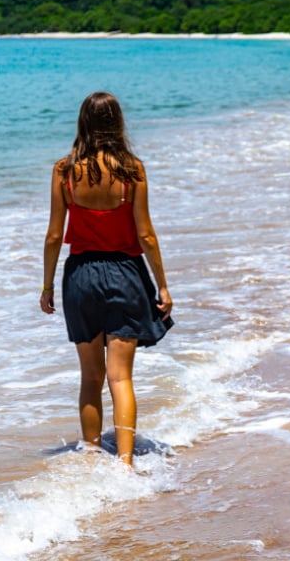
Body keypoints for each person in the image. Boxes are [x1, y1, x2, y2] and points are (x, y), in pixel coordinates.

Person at [40, 91, 173, 466]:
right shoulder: (133, 171)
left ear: (83, 122)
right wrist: (162, 284)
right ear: (117, 124)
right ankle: (126, 464)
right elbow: (145, 234)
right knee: (120, 378)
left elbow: (53, 236)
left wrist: (47, 285)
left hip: (80, 276)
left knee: (90, 378)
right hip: (125, 274)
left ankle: (92, 458)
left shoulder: (64, 171)